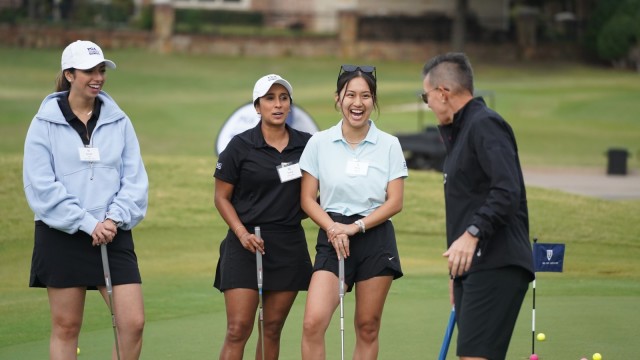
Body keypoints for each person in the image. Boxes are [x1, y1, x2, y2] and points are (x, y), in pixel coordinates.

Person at [22, 40, 148, 359]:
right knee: (66, 327)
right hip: (62, 234)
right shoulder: (43, 124)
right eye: (89, 70)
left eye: (101, 70)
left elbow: (134, 180)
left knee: (132, 322)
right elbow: (41, 186)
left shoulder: (119, 121)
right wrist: (87, 222)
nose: (98, 77)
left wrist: (112, 219)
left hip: (112, 232)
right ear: (69, 74)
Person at [421, 52, 534, 360]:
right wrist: (455, 275)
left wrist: (472, 234)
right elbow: (469, 203)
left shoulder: (485, 125)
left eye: (426, 95)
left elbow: (506, 191)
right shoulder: (461, 132)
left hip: (497, 261)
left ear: (443, 92)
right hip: (474, 267)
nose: (427, 103)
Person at [299, 65, 408, 359]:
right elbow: (308, 199)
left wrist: (355, 227)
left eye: (365, 96)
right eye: (350, 95)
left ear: (373, 101)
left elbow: (394, 201)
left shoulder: (390, 145)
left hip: (374, 236)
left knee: (368, 326)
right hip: (332, 235)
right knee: (312, 323)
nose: (357, 103)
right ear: (338, 99)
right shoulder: (318, 143)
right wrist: (335, 228)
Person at [213, 74, 313, 360]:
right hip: (244, 242)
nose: (277, 104)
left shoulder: (306, 145)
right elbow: (221, 197)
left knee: (271, 328)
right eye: (270, 99)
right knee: (237, 328)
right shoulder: (240, 146)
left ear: (290, 105)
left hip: (288, 244)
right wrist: (242, 233)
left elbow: (315, 195)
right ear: (257, 107)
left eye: (283, 98)